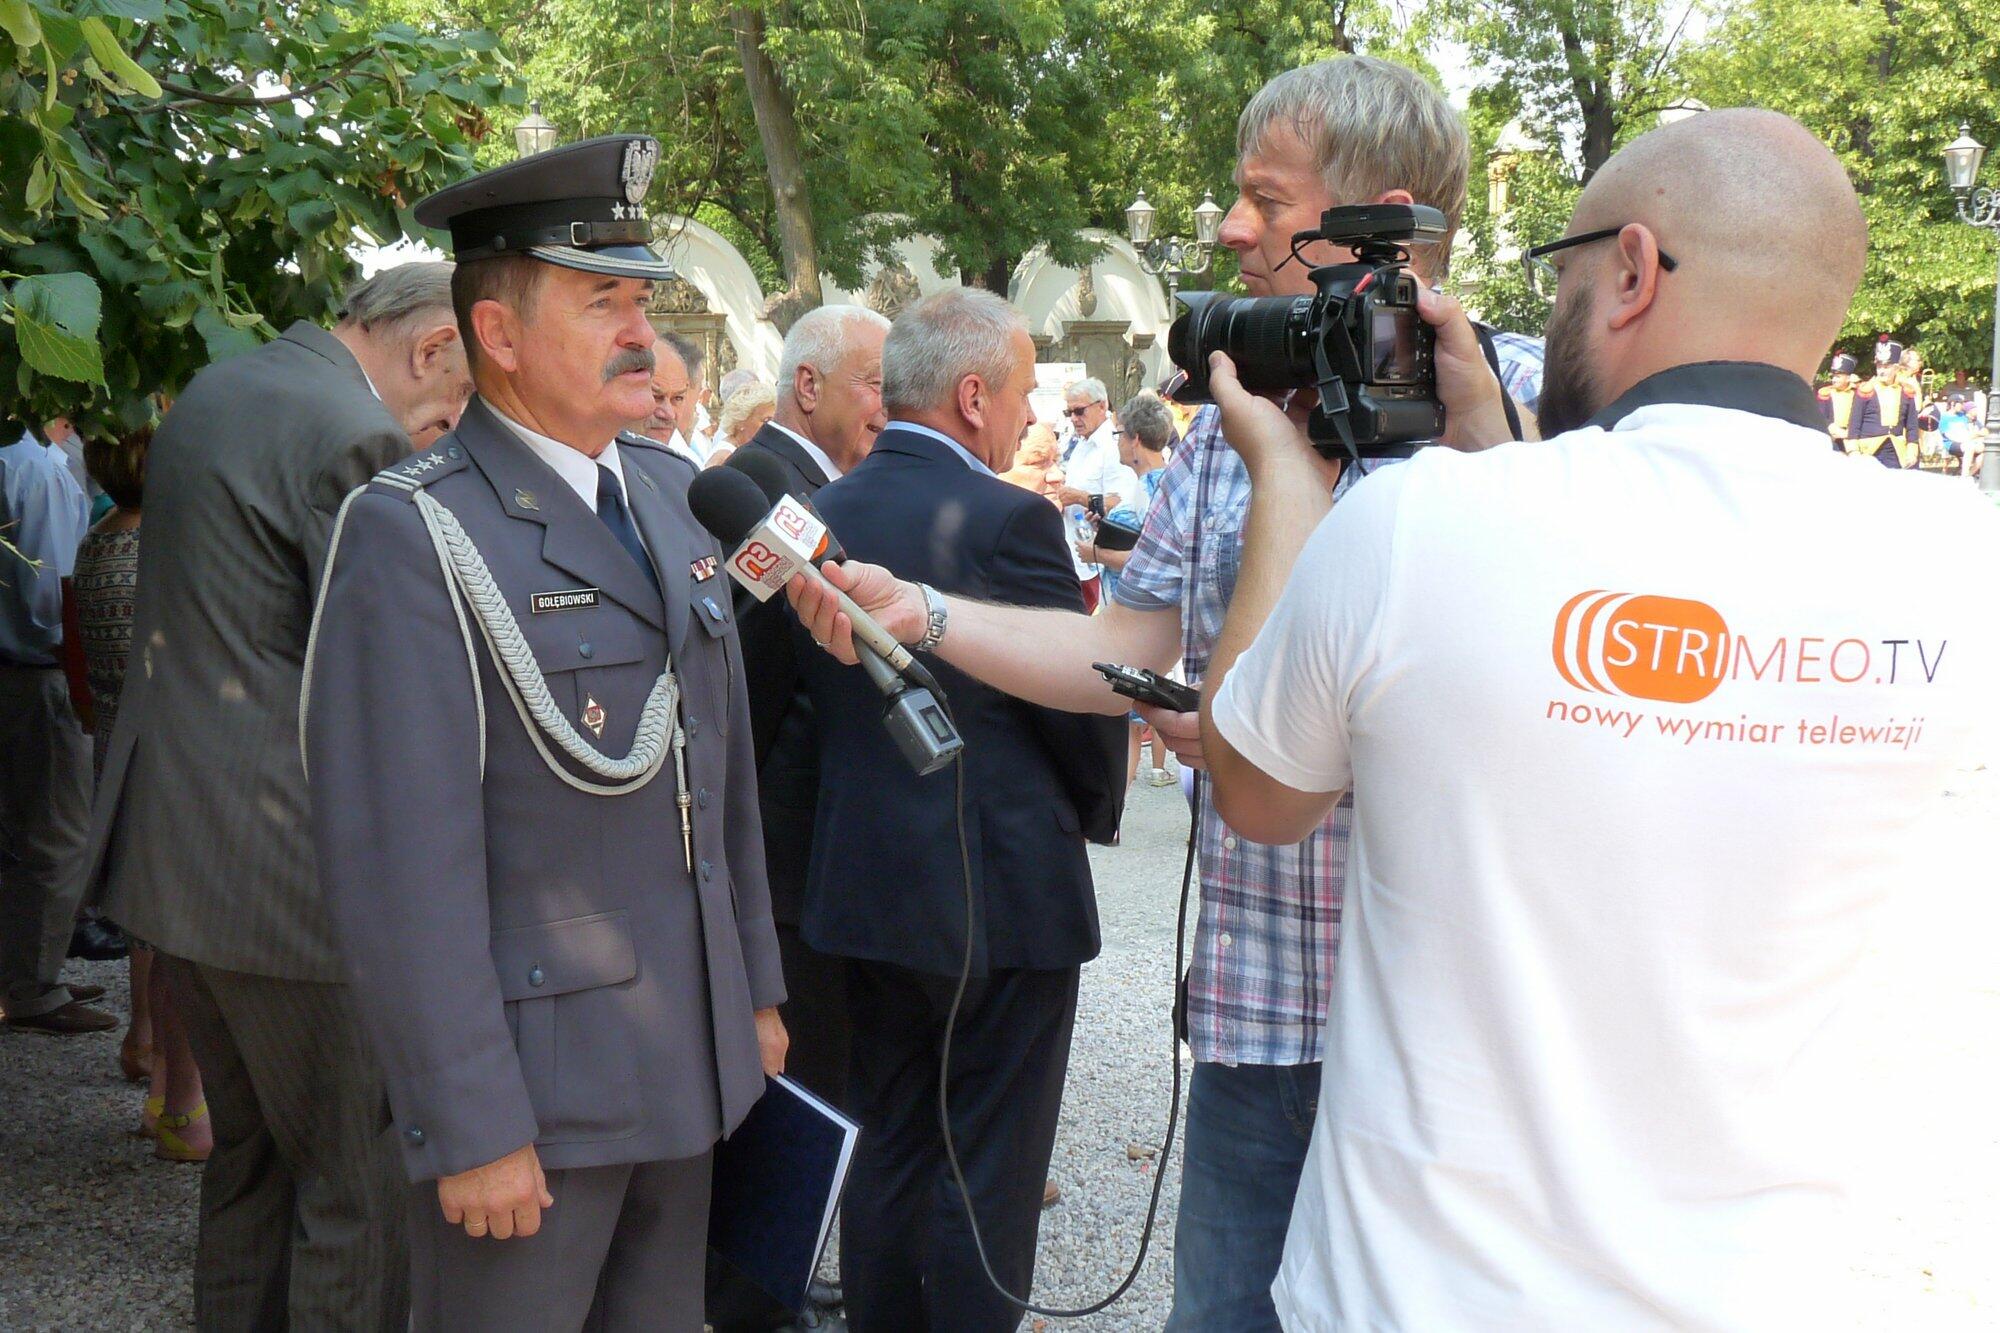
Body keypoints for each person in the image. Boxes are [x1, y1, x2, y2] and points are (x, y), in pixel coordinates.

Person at [1199, 107, 2000, 1330]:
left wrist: (1280, 479)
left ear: (1629, 270)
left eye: (1562, 271)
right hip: (1757, 1291)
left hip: (1416, 1295)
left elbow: (1258, 794)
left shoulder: (1417, 524)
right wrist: (1495, 437)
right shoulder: (1956, 559)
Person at [786, 56, 1543, 1332]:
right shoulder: (1229, 419)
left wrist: (1481, 438)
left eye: (1265, 199)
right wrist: (926, 613)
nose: (1230, 228)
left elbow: (1575, 677)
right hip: (1260, 1013)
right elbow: (1122, 641)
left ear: (1380, 219)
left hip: (1454, 1029)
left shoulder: (1522, 395)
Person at [303, 134, 786, 1332]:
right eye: (600, 303)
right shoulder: (413, 531)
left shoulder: (672, 493)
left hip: (685, 1056)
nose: (639, 334)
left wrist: (754, 989)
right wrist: (468, 1120)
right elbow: (398, 863)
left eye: (642, 304)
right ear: (499, 335)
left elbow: (721, 773)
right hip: (536, 1095)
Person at [83, 261, 469, 1328]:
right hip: (294, 879)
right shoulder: (356, 434)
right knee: (359, 1185)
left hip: (186, 855)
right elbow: (387, 671)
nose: (450, 425)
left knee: (250, 1166)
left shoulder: (228, 385)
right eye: (457, 399)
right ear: (432, 346)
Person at [790, 287, 1124, 1333]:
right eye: (1023, 393)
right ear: (973, 397)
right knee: (990, 1166)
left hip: (861, 890)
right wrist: (1092, 809)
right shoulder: (1012, 518)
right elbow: (1079, 698)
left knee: (889, 1143)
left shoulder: (820, 516)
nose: (1029, 417)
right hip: (1001, 890)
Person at [702, 302, 889, 1333]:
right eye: (874, 383)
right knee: (788, 1092)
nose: (886, 406)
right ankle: (749, 1303)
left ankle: (774, 1280)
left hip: (802, 862)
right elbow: (750, 688)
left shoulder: (805, 490)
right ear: (807, 385)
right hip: (780, 864)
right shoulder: (766, 492)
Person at [72, 427, 213, 1160]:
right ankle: (176, 1091)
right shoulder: (159, 549)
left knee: (144, 919)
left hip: (114, 739)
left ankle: (148, 1049)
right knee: (177, 924)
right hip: (163, 745)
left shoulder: (96, 542)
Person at [0, 417, 102, 1034]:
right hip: (36, 672)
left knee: (21, 835)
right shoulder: (37, 470)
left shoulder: (25, 463)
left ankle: (24, 971)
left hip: (18, 668)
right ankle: (34, 985)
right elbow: (52, 601)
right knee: (55, 837)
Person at [1092, 394, 1176, 786]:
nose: (1118, 442)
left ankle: (1120, 802)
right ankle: (1148, 776)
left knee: (1136, 708)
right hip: (1148, 619)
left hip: (1143, 618)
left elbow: (1150, 560)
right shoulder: (1159, 483)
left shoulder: (1156, 487)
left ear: (1136, 438)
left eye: (1120, 434)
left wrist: (1095, 552)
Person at [1054, 377, 1132, 609]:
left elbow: (1122, 503)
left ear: (1102, 406)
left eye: (1079, 411)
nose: (1074, 419)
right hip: (1075, 555)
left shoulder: (1113, 446)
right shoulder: (1082, 443)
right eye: (1069, 413)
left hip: (1098, 560)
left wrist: (1080, 498)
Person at [1847, 343, 1919, 468]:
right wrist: (1853, 451)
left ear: (1896, 368)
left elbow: (1912, 425)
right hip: (1868, 451)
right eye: (1879, 366)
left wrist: (1912, 451)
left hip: (1895, 451)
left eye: (1886, 367)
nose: (1881, 371)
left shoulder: (1906, 391)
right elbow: (1854, 423)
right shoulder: (1866, 390)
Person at [704, 379, 776, 468]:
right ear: (741, 421)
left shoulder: (742, 450)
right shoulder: (725, 456)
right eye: (766, 420)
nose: (771, 426)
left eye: (774, 421)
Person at [1817, 351, 1859, 447]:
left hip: (1850, 437)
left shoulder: (1856, 394)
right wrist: (1833, 429)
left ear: (1848, 378)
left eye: (1838, 377)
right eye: (1833, 376)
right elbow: (1821, 416)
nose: (1834, 380)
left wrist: (1849, 433)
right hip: (1831, 436)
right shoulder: (1825, 393)